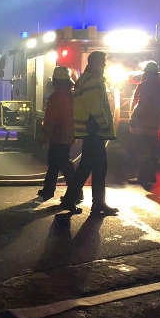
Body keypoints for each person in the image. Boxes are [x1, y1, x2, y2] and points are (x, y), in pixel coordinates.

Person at [61, 51, 119, 215]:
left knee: (86, 167)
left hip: (91, 130)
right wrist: (104, 124)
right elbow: (94, 105)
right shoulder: (92, 81)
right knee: (99, 168)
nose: (104, 65)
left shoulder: (86, 79)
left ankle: (71, 200)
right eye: (102, 62)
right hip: (95, 130)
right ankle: (97, 204)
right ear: (95, 63)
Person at [37, 66, 75, 201]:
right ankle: (49, 190)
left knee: (62, 163)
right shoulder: (71, 95)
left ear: (56, 80)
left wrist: (45, 134)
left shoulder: (57, 96)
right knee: (56, 162)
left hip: (58, 135)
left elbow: (51, 118)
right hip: (68, 134)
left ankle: (75, 192)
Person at [128, 61, 160, 188]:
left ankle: (142, 177)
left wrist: (132, 118)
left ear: (147, 73)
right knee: (153, 152)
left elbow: (138, 103)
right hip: (155, 125)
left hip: (142, 126)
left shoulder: (143, 85)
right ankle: (151, 176)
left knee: (142, 152)